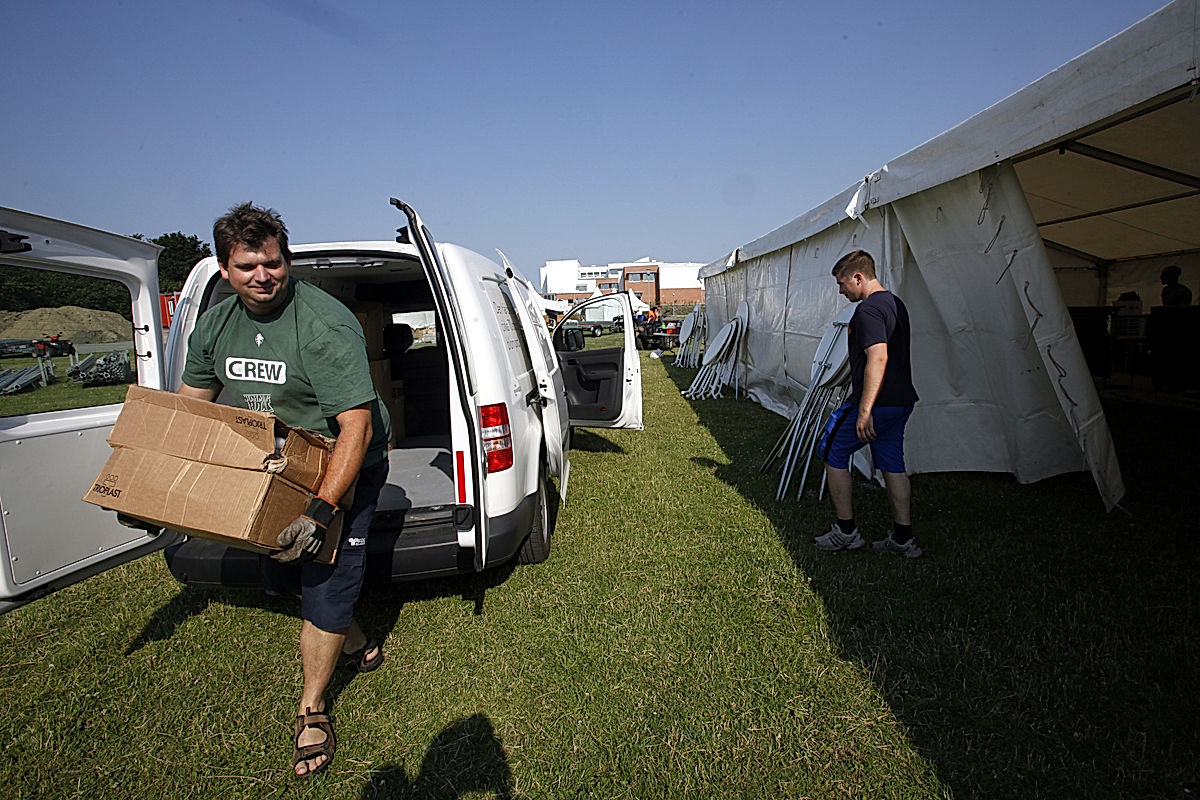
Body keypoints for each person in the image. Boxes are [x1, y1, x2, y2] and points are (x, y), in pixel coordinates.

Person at [179, 203, 391, 778]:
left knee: (324, 577)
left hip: (343, 461)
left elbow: (357, 428)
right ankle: (357, 641)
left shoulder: (323, 325)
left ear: (286, 261)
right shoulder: (216, 325)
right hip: (273, 459)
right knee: (285, 570)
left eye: (272, 263)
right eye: (247, 266)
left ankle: (313, 711)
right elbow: (190, 409)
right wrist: (162, 484)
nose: (262, 276)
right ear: (225, 270)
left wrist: (323, 510)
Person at [813, 250, 921, 557]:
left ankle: (846, 532)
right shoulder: (894, 304)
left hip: (878, 405)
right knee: (892, 464)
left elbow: (878, 357)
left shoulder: (869, 311)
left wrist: (864, 410)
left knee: (834, 452)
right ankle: (903, 539)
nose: (840, 290)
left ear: (858, 278)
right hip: (900, 401)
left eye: (842, 283)